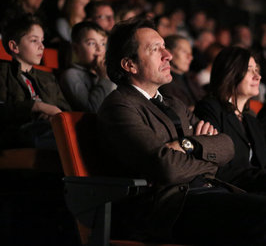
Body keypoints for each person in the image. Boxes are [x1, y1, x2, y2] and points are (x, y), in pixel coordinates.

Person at [97, 18, 266, 245]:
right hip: (170, 209)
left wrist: (190, 145)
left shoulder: (173, 103)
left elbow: (227, 147)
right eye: (155, 49)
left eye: (164, 46)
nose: (168, 55)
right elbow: (166, 168)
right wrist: (207, 154)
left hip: (207, 193)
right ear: (130, 65)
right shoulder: (120, 105)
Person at [0, 14, 71, 151]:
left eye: (42, 41)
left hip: (50, 127)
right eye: (34, 41)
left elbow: (65, 109)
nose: (42, 47)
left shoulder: (47, 78)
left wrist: (56, 117)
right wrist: (37, 107)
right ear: (14, 46)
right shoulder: (1, 73)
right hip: (17, 133)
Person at [195, 46, 266, 192]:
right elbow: (215, 168)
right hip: (228, 194)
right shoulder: (210, 109)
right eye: (249, 69)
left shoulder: (251, 120)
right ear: (230, 73)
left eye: (257, 70)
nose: (257, 76)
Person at [60, 21, 115, 112]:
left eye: (102, 43)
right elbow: (92, 109)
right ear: (75, 49)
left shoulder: (105, 72)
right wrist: (104, 78)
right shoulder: (71, 75)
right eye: (91, 43)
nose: (99, 49)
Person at [159, 34, 205, 111]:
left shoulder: (192, 77)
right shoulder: (163, 82)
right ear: (168, 53)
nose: (190, 57)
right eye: (184, 52)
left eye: (190, 53)